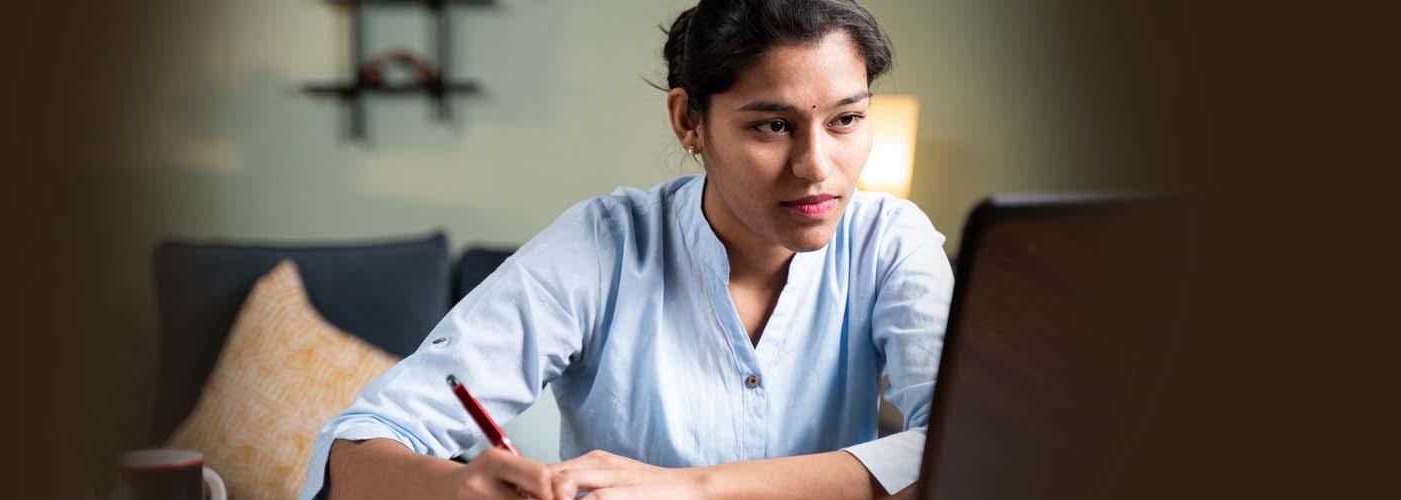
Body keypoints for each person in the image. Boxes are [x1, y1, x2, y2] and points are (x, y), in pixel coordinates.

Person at [302, 1, 951, 498]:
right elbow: (353, 452)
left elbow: (964, 452)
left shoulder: (890, 242)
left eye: (846, 119)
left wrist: (692, 488)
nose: (816, 166)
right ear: (688, 121)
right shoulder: (600, 247)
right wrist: (457, 488)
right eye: (773, 126)